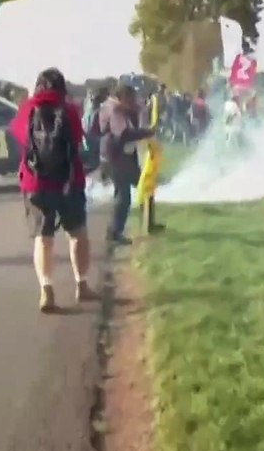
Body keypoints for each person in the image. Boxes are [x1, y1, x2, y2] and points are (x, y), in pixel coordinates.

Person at [10, 67, 99, 312]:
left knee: (43, 237)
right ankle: (82, 285)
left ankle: (46, 291)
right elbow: (78, 142)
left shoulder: (26, 110)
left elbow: (19, 138)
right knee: (77, 233)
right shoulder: (69, 110)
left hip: (35, 184)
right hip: (69, 182)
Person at [99, 84, 155, 246]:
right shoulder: (115, 109)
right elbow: (123, 133)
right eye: (130, 98)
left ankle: (147, 224)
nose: (133, 101)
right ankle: (114, 233)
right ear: (122, 97)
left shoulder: (114, 106)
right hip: (116, 158)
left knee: (145, 186)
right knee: (124, 197)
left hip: (118, 157)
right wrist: (147, 132)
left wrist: (141, 109)